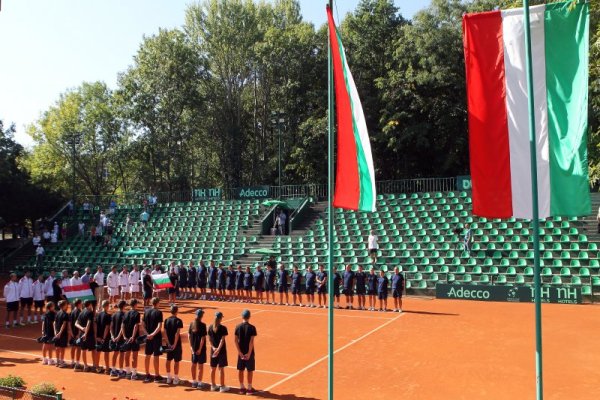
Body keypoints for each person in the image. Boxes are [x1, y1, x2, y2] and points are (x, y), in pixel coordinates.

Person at [234, 309, 257, 395]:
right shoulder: (252, 328)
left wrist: (240, 352)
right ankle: (249, 388)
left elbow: (235, 341)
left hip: (241, 353)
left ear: (242, 316)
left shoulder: (237, 326)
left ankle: (241, 388)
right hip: (249, 353)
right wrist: (249, 353)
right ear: (249, 317)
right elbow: (251, 342)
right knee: (249, 370)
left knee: (241, 370)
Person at [143, 297, 163, 383]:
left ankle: (147, 375)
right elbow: (159, 327)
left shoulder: (146, 312)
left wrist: (147, 334)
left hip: (148, 338)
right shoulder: (159, 312)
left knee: (147, 355)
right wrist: (153, 334)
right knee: (156, 356)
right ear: (157, 303)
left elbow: (142, 324)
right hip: (156, 338)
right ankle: (156, 375)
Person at [208, 311, 229, 392]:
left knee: (213, 368)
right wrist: (218, 349)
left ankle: (213, 386)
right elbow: (222, 340)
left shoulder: (210, 327)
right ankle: (222, 387)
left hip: (212, 351)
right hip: (221, 351)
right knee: (221, 369)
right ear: (220, 318)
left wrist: (213, 348)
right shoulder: (223, 328)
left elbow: (209, 339)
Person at [121, 298, 141, 380]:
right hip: (134, 338)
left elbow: (122, 326)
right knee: (134, 356)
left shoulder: (126, 313)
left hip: (127, 337)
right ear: (135, 305)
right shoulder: (137, 313)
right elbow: (136, 326)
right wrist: (133, 336)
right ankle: (134, 373)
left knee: (127, 354)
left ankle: (128, 371)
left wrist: (125, 336)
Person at [75, 299, 97, 371]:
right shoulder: (90, 312)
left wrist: (82, 329)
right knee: (93, 349)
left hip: (82, 334)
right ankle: (94, 366)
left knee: (83, 349)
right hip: (89, 334)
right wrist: (86, 333)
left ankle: (85, 366)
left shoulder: (81, 312)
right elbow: (89, 323)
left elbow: (76, 324)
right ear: (90, 304)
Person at [164, 305, 183, 385]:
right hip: (176, 344)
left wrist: (168, 343)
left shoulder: (166, 320)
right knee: (176, 361)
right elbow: (177, 334)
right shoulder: (179, 321)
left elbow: (164, 333)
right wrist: (174, 344)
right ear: (176, 311)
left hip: (169, 344)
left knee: (168, 360)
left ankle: (168, 377)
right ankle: (175, 379)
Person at [189, 309, 208, 389]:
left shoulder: (191, 324)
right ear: (201, 316)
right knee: (200, 366)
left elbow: (189, 336)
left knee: (193, 365)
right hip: (201, 349)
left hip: (193, 348)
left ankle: (194, 382)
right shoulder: (203, 325)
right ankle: (199, 383)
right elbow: (202, 339)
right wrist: (200, 349)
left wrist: (191, 348)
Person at [110, 300, 127, 377]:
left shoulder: (114, 315)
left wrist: (112, 336)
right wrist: (118, 337)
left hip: (114, 338)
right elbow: (122, 327)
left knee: (115, 353)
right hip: (120, 338)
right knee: (122, 354)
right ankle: (120, 371)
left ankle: (113, 370)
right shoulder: (124, 315)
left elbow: (111, 327)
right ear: (123, 306)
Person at [95, 300, 112, 373]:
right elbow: (107, 327)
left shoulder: (98, 315)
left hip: (98, 337)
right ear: (106, 306)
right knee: (106, 353)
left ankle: (97, 367)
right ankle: (107, 369)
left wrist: (96, 336)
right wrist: (104, 338)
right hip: (105, 338)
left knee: (98, 352)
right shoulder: (108, 316)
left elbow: (95, 326)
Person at [53, 300, 70, 367]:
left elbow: (54, 323)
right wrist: (60, 333)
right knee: (62, 348)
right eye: (66, 304)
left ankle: (57, 361)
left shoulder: (57, 313)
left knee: (57, 347)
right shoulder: (65, 314)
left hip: (57, 332)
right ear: (63, 305)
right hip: (62, 333)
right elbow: (64, 324)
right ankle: (61, 362)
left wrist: (55, 332)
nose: (67, 305)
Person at [69, 299, 83, 368]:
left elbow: (70, 323)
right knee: (78, 348)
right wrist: (79, 333)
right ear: (78, 304)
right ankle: (77, 363)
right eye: (81, 303)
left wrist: (71, 332)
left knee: (73, 347)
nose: (82, 304)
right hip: (78, 333)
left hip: (72, 333)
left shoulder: (72, 312)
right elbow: (79, 323)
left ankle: (72, 362)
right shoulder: (80, 312)